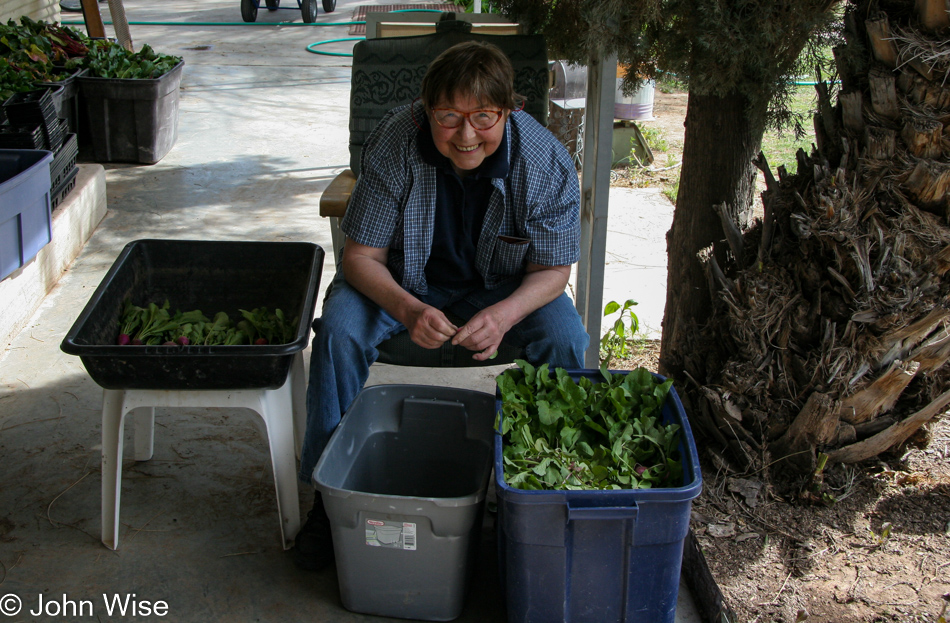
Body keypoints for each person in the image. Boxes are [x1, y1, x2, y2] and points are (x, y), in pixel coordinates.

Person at [294, 40, 589, 570]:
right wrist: (408, 310)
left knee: (567, 339)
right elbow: (361, 256)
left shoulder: (544, 161)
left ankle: (549, 498)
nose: (467, 134)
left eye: (484, 116)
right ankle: (327, 497)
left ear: (510, 110)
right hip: (405, 284)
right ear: (426, 109)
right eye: (449, 117)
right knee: (338, 330)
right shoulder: (395, 141)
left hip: (502, 290)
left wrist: (503, 315)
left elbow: (552, 272)